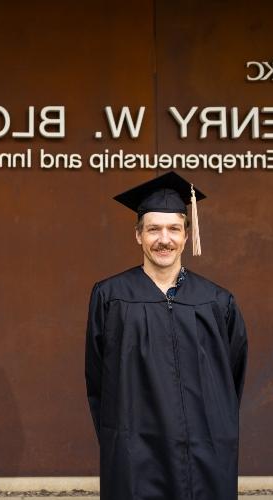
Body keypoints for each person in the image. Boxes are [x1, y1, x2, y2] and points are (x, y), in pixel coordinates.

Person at [85, 172, 248, 500]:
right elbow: (97, 378)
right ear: (138, 235)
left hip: (203, 449)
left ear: (187, 235)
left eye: (174, 228)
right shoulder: (110, 296)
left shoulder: (217, 301)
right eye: (153, 229)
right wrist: (118, 435)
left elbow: (233, 376)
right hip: (135, 448)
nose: (164, 239)